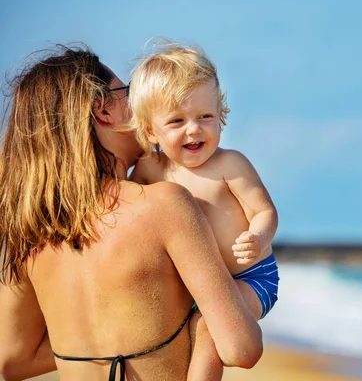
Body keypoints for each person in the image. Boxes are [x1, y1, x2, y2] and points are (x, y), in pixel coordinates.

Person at [0, 45, 262, 381]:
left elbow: (12, 361)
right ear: (103, 110)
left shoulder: (32, 230)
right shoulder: (164, 204)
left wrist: (101, 343)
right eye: (128, 93)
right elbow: (240, 348)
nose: (142, 105)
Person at [128, 42, 279, 380]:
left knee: (210, 326)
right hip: (193, 284)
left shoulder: (231, 164)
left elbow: (265, 211)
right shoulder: (150, 170)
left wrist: (258, 236)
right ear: (150, 130)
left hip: (251, 279)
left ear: (220, 115)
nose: (194, 129)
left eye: (205, 117)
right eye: (177, 121)